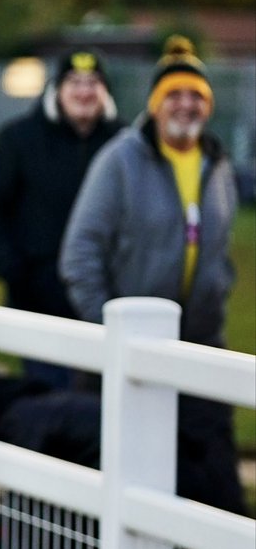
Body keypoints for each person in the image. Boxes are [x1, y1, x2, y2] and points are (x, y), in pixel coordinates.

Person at [60, 35, 244, 514]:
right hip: (129, 353)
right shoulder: (120, 160)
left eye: (197, 97)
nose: (186, 106)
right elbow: (79, 253)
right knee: (127, 484)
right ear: (157, 106)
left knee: (218, 482)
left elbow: (218, 252)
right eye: (175, 96)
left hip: (201, 346)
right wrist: (110, 331)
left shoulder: (217, 164)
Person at [0, 50, 124, 389]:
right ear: (57, 89)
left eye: (93, 83)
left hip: (107, 300)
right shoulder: (18, 138)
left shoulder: (124, 145)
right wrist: (11, 267)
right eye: (75, 82)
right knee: (51, 403)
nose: (84, 92)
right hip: (39, 299)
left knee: (106, 401)